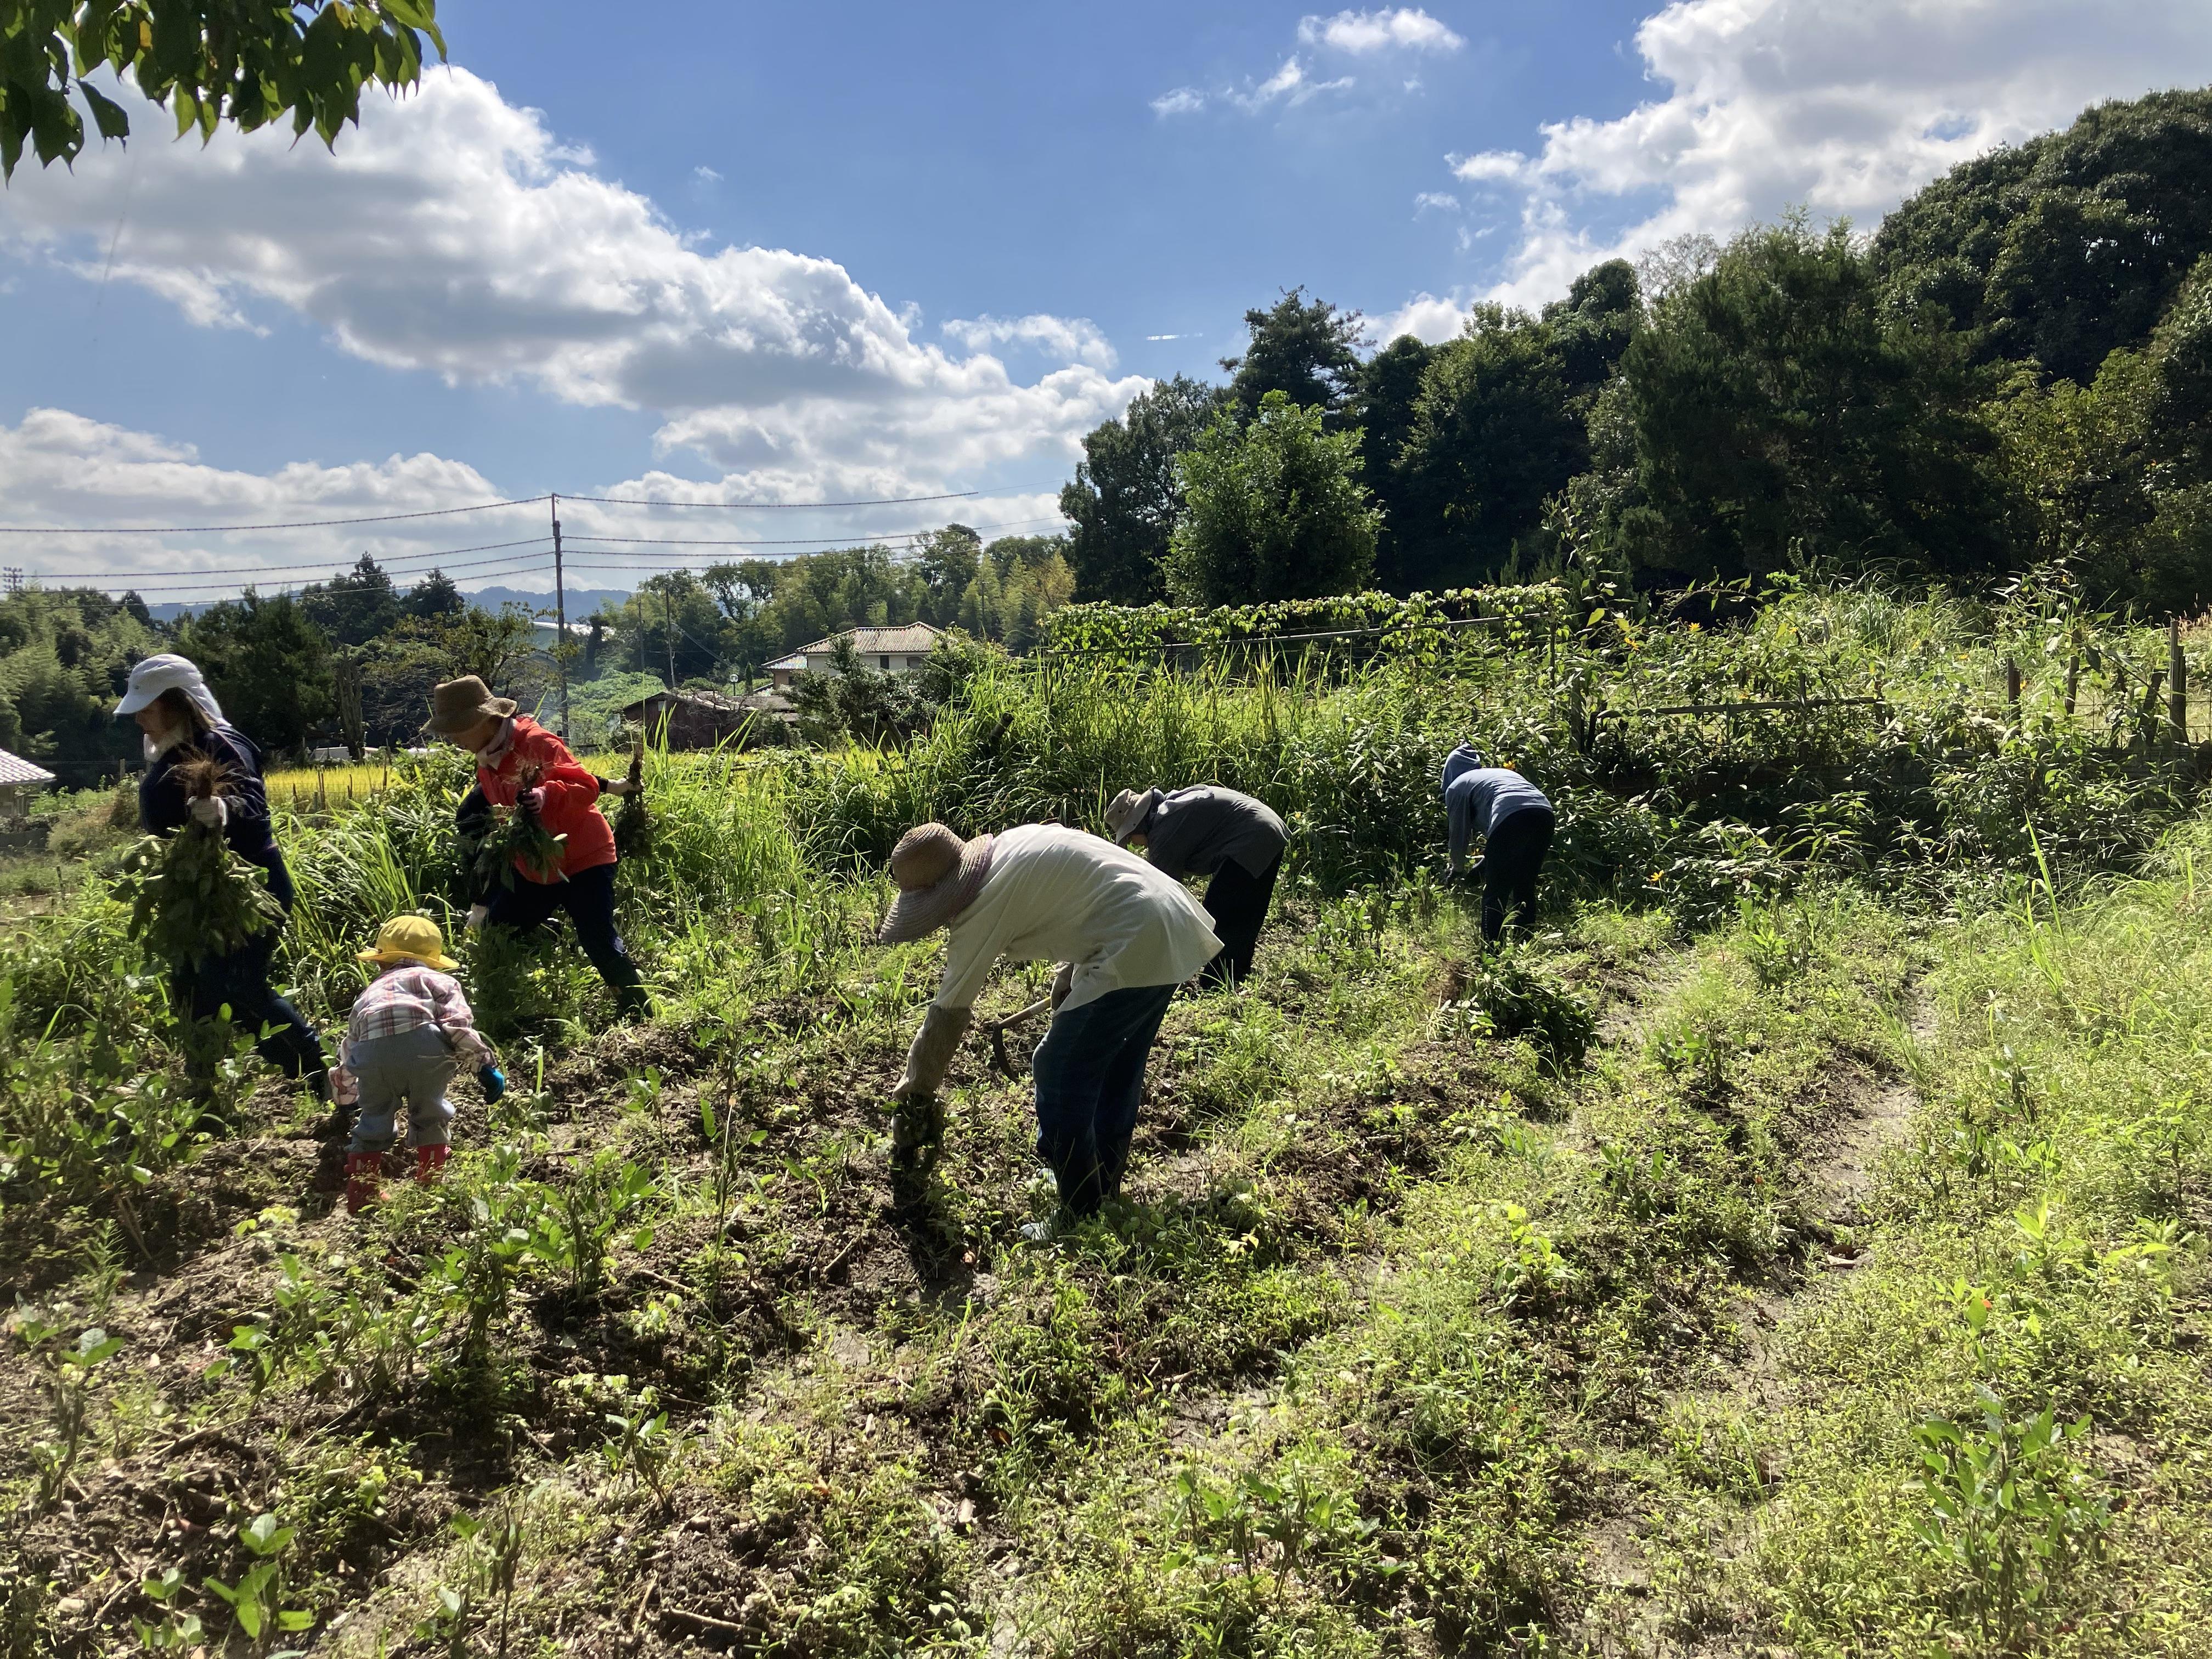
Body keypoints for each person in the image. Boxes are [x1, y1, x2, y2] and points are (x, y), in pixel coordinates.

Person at [881, 820, 1220, 1235]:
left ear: (941, 896)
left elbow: (946, 1016)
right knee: (1116, 1066)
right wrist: (1068, 976)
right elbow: (1082, 889)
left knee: (1058, 1071)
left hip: (1135, 938)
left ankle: (1080, 1214)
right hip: (1166, 919)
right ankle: (1096, 1182)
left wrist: (913, 1094)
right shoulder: (1014, 845)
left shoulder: (982, 905)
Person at [115, 654, 331, 1099]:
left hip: (249, 886)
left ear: (179, 704)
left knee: (240, 985)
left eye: (149, 708)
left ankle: (322, 1076)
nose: (139, 718)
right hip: (197, 891)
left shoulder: (220, 744)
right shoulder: (166, 752)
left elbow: (253, 806)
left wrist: (223, 810)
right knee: (192, 986)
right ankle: (203, 1093)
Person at [426, 676, 650, 1019]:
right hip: (536, 865)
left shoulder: (535, 742)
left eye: (458, 729)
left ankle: (641, 1013)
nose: (453, 738)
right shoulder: (486, 758)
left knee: (598, 941)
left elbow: (585, 786)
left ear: (487, 720)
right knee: (498, 929)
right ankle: (505, 1008)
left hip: (582, 857)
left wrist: (548, 794)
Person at [334, 915, 504, 1214]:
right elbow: (457, 1027)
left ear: (381, 962)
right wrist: (485, 1067)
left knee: (374, 1119)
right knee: (430, 1112)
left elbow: (350, 1048)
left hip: (374, 1056)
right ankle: (430, 1184)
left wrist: (345, 1095)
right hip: (425, 1050)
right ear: (431, 959)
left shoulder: (368, 995)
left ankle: (363, 1194)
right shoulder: (440, 981)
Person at [1105, 785, 1286, 988]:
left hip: (1252, 835)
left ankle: (1216, 984)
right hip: (1270, 829)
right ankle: (1235, 978)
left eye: (1130, 837)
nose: (1135, 844)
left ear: (1137, 824)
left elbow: (1162, 897)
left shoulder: (1164, 829)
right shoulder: (1171, 807)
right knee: (1247, 912)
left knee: (1221, 912)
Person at [1442, 745, 1556, 944]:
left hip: (1511, 817)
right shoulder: (1497, 773)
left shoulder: (1457, 786)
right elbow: (1507, 845)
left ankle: (1491, 950)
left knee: (1496, 890)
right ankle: (1524, 944)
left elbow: (1458, 835)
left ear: (1449, 772)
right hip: (1544, 814)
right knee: (1525, 884)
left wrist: (1457, 869)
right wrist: (1482, 867)